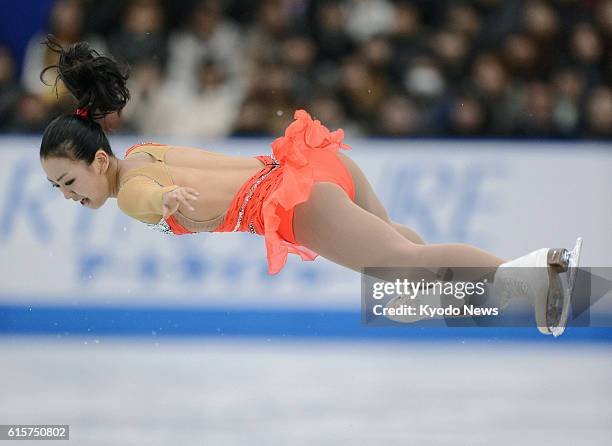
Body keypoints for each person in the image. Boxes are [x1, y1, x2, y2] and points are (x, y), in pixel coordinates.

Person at [39, 39, 577, 335]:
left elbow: (144, 197)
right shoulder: (142, 153)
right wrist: (167, 193)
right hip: (310, 163)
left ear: (99, 159)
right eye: (57, 188)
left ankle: (533, 275)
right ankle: (512, 288)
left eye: (69, 180)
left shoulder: (131, 189)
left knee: (399, 267)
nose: (68, 194)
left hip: (293, 202)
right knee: (404, 268)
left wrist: (166, 203)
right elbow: (155, 180)